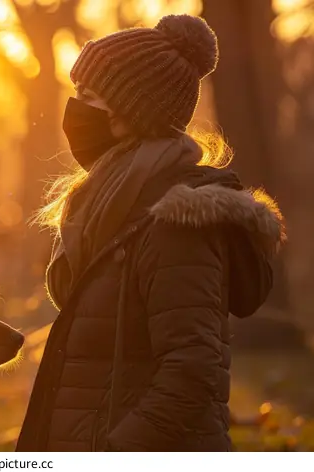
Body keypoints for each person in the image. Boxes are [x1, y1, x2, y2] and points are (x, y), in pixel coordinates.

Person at [15, 14, 286, 452]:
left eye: (88, 96)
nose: (74, 108)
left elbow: (192, 372)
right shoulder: (113, 208)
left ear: (129, 115)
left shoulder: (175, 223)